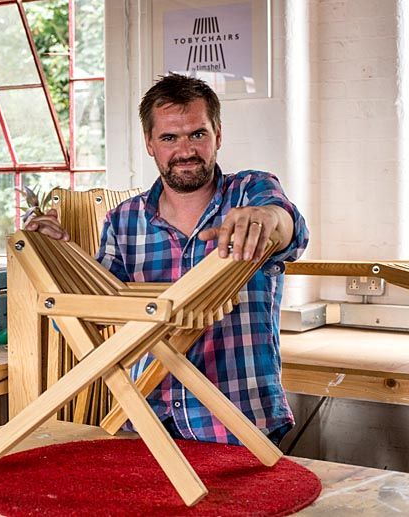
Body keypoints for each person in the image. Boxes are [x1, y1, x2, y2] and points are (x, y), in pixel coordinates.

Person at [26, 73, 309, 446]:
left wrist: (269, 219)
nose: (186, 150)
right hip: (146, 421)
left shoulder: (252, 191)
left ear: (218, 135)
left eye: (198, 134)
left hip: (241, 424)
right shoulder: (124, 220)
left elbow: (291, 231)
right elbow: (87, 319)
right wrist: (55, 260)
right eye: (169, 138)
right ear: (150, 143)